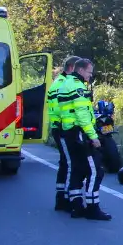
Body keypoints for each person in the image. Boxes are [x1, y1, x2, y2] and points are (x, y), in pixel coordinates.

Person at [60, 58, 111, 221]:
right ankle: (92, 207)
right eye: (89, 72)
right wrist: (93, 136)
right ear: (81, 70)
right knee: (96, 171)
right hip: (81, 132)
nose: (91, 76)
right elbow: (82, 115)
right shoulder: (77, 87)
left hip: (70, 132)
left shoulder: (66, 83)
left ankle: (76, 206)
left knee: (78, 168)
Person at [48, 56, 80, 212]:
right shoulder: (62, 84)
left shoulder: (60, 82)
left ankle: (61, 196)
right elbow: (61, 109)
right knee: (69, 163)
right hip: (62, 129)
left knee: (64, 163)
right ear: (72, 67)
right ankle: (66, 199)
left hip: (60, 127)